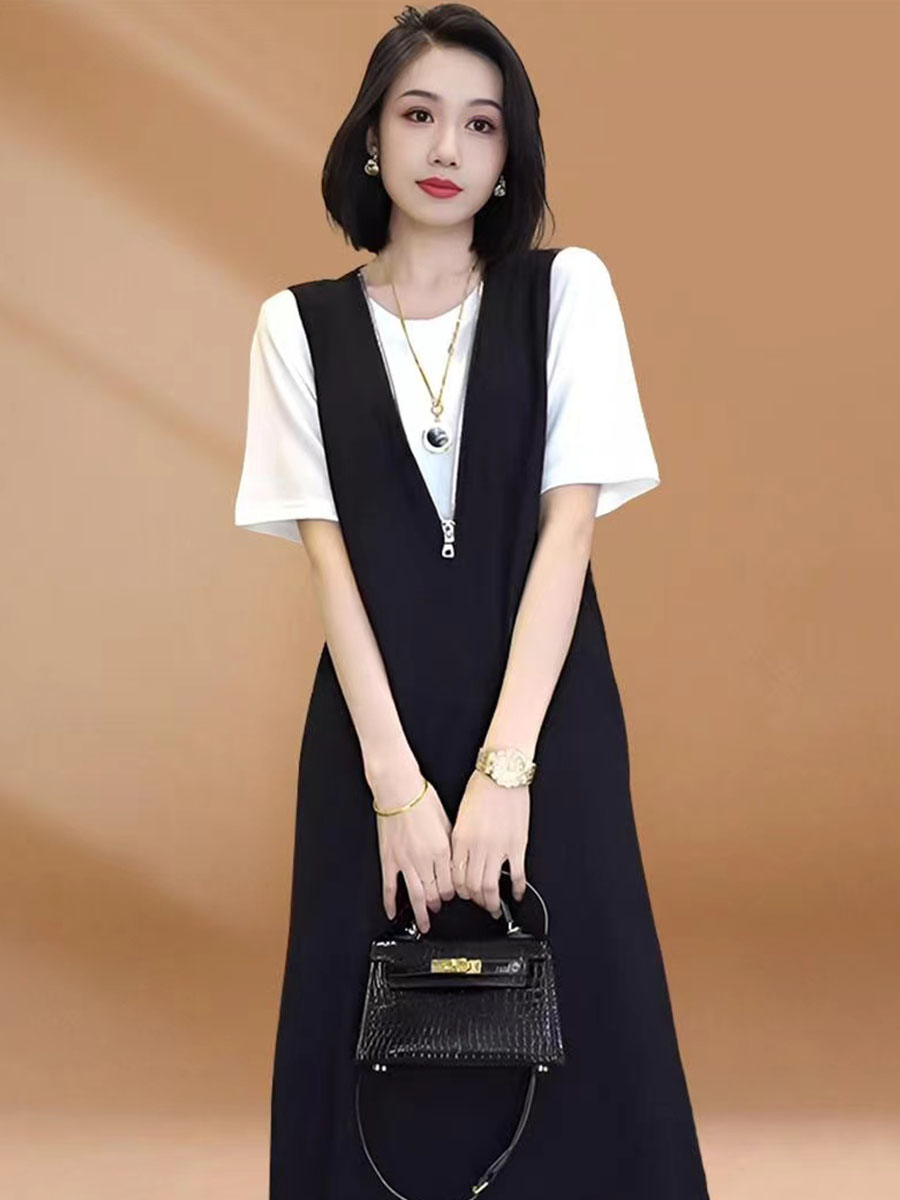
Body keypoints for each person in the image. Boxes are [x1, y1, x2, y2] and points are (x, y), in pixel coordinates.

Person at [234, 4, 710, 1197]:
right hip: (373, 732)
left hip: (549, 720)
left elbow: (568, 534)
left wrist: (507, 772)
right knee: (367, 1045)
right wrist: (396, 790)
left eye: (481, 124)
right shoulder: (297, 328)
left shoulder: (567, 293)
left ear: (510, 156)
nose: (448, 147)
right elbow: (328, 564)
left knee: (589, 1035)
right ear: (371, 138)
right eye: (419, 115)